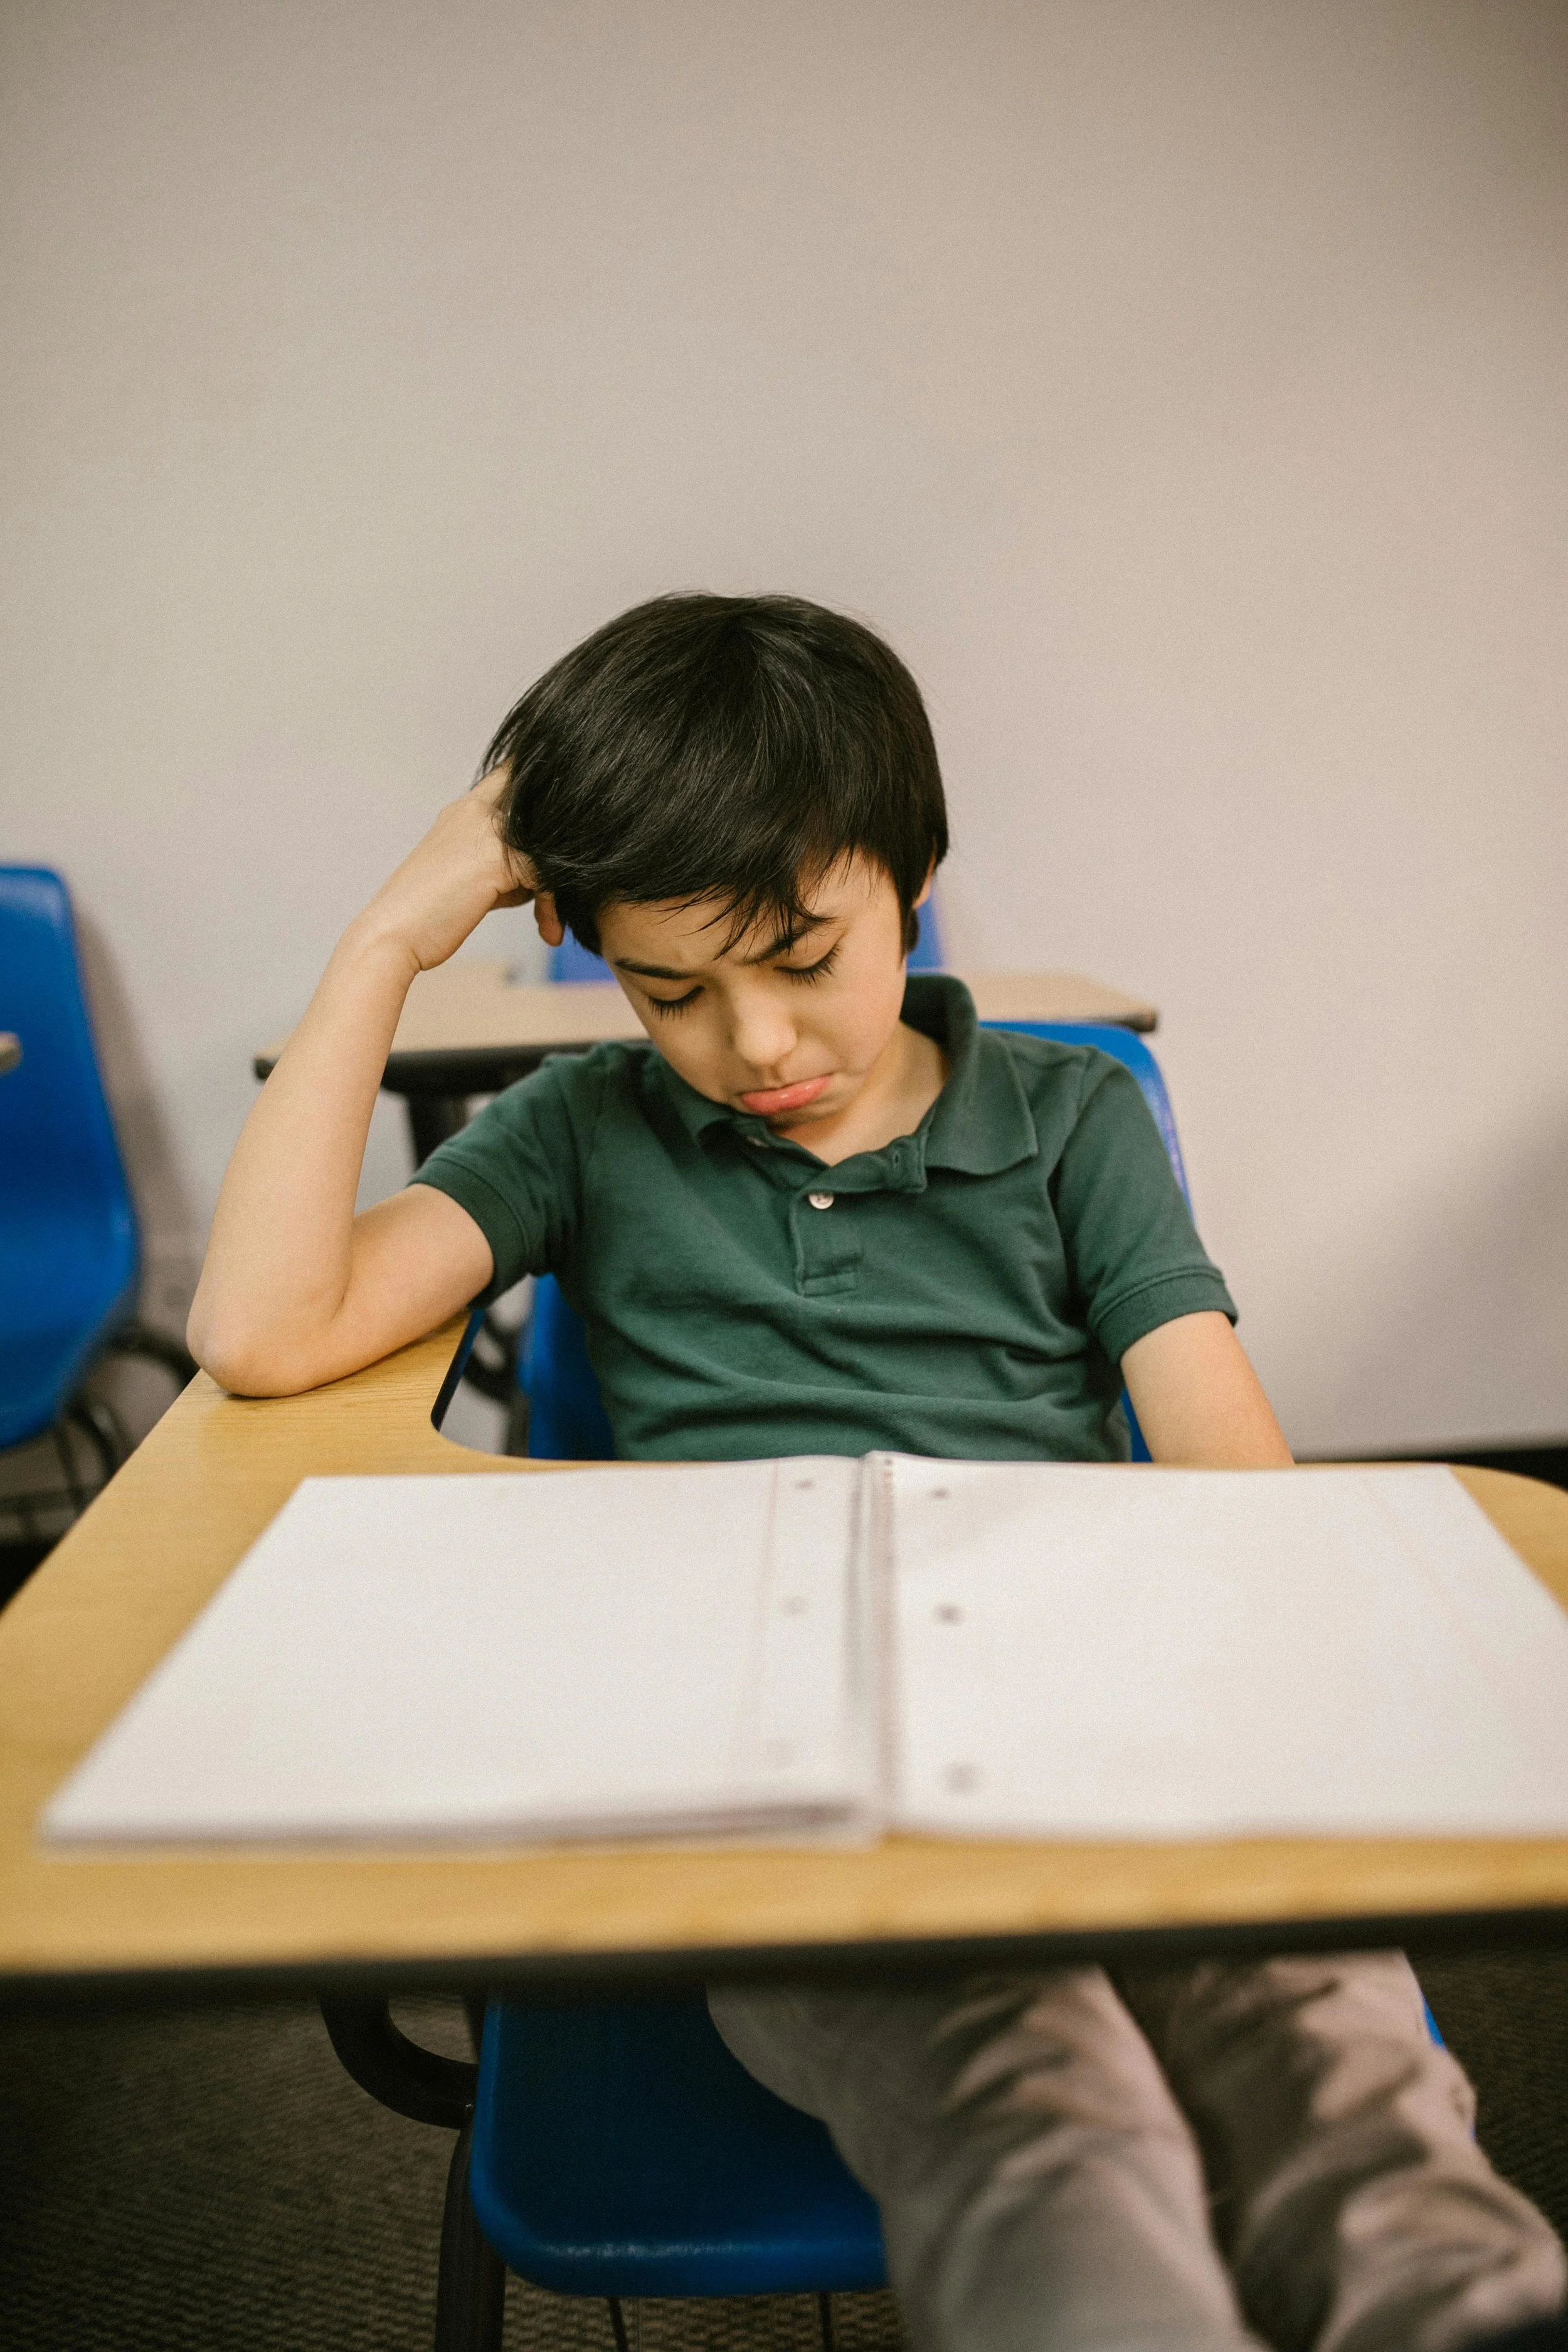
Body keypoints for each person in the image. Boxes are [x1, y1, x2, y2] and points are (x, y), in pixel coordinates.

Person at [189, 594, 1566, 2352]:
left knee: (1330, 2054)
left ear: (911, 876)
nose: (753, 1045)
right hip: (780, 1767)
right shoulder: (582, 1128)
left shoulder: (1067, 1118)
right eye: (669, 988)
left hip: (1104, 1704)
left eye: (801, 955)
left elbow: (1237, 1475)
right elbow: (262, 1326)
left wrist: (1245, 1706)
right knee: (1033, 2106)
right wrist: (389, 938)